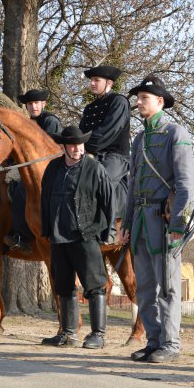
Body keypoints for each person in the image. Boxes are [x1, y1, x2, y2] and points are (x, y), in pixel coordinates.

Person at [119, 75, 194, 363]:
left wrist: (178, 224)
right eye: (138, 98)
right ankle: (153, 341)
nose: (138, 103)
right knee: (146, 288)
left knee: (169, 287)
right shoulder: (139, 139)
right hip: (140, 221)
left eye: (144, 98)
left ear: (160, 102)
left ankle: (170, 343)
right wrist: (126, 224)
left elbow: (186, 184)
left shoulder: (176, 134)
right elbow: (134, 184)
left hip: (164, 223)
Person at [40, 125, 113, 349]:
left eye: (80, 144)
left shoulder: (94, 167)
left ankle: (98, 334)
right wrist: (47, 229)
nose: (77, 149)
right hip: (58, 236)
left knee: (95, 285)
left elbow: (108, 200)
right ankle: (69, 333)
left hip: (86, 236)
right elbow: (45, 200)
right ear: (63, 147)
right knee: (63, 286)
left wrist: (106, 232)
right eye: (72, 145)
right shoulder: (53, 168)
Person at [3, 89, 64, 254]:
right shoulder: (26, 124)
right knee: (10, 186)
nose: (33, 107)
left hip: (51, 168)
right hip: (29, 166)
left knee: (22, 190)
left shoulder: (51, 121)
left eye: (36, 103)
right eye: (30, 104)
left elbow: (49, 150)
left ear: (44, 104)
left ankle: (23, 236)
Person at [79, 65, 131, 234]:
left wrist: (84, 146)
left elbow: (106, 133)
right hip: (89, 154)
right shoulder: (89, 108)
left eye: (96, 80)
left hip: (115, 156)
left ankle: (109, 229)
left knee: (101, 182)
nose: (92, 83)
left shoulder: (119, 101)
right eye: (91, 80)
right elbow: (80, 133)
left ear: (109, 82)